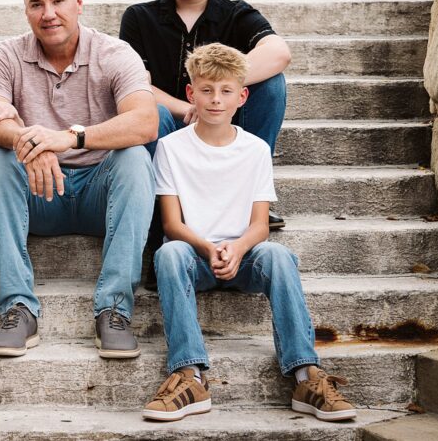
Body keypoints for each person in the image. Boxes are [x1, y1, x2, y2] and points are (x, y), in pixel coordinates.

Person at [143, 43, 356, 423]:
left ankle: (306, 375)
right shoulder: (171, 148)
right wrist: (209, 248)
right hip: (195, 256)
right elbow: (172, 224)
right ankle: (189, 375)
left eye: (225, 91)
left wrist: (238, 249)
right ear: (191, 93)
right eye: (206, 90)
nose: (215, 100)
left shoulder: (256, 150)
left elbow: (260, 225)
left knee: (278, 254)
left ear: (242, 97)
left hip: (244, 257)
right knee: (168, 253)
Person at [0, 0, 158, 360]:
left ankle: (114, 310)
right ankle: (17, 309)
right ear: (26, 11)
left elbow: (146, 121)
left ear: (78, 2)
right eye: (36, 4)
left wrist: (66, 138)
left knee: (135, 159)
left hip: (100, 192)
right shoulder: (4, 56)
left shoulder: (114, 52)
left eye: (58, 1)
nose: (48, 13)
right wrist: (29, 141)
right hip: (40, 194)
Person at [119, 0, 291, 231]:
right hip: (173, 129)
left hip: (224, 128)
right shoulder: (139, 18)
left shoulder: (236, 13)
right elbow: (134, 83)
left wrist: (214, 93)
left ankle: (252, 198)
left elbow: (279, 52)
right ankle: (166, 208)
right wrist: (187, 106)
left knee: (272, 85)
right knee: (149, 109)